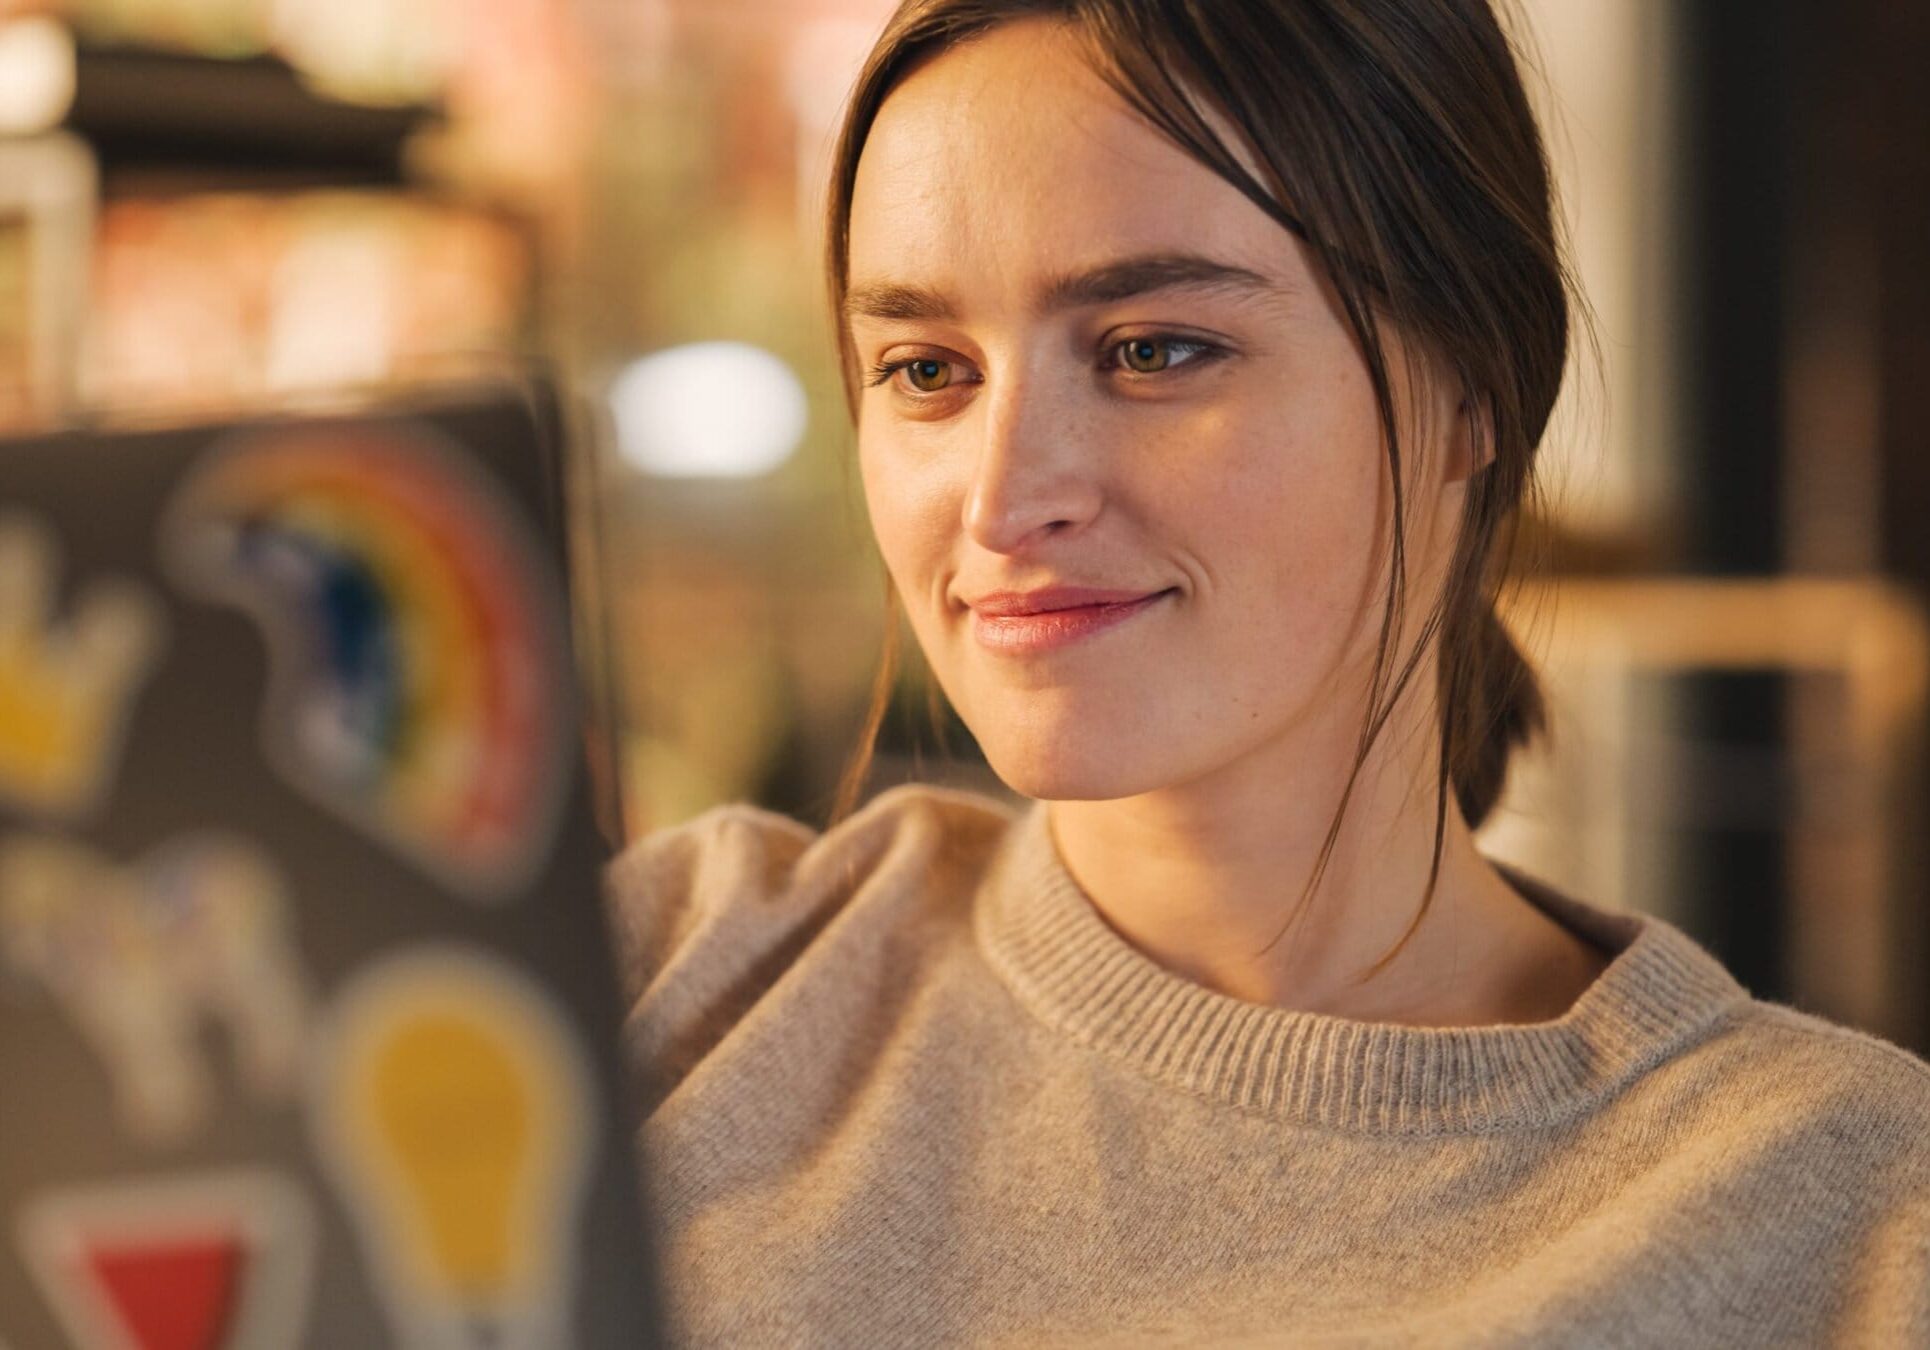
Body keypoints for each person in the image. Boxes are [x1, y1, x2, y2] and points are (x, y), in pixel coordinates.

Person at [606, 1, 1930, 1344]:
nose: (1001, 500)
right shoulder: (671, 976)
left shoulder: (1841, 1223)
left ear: (1472, 377)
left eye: (1151, 351)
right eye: (925, 369)